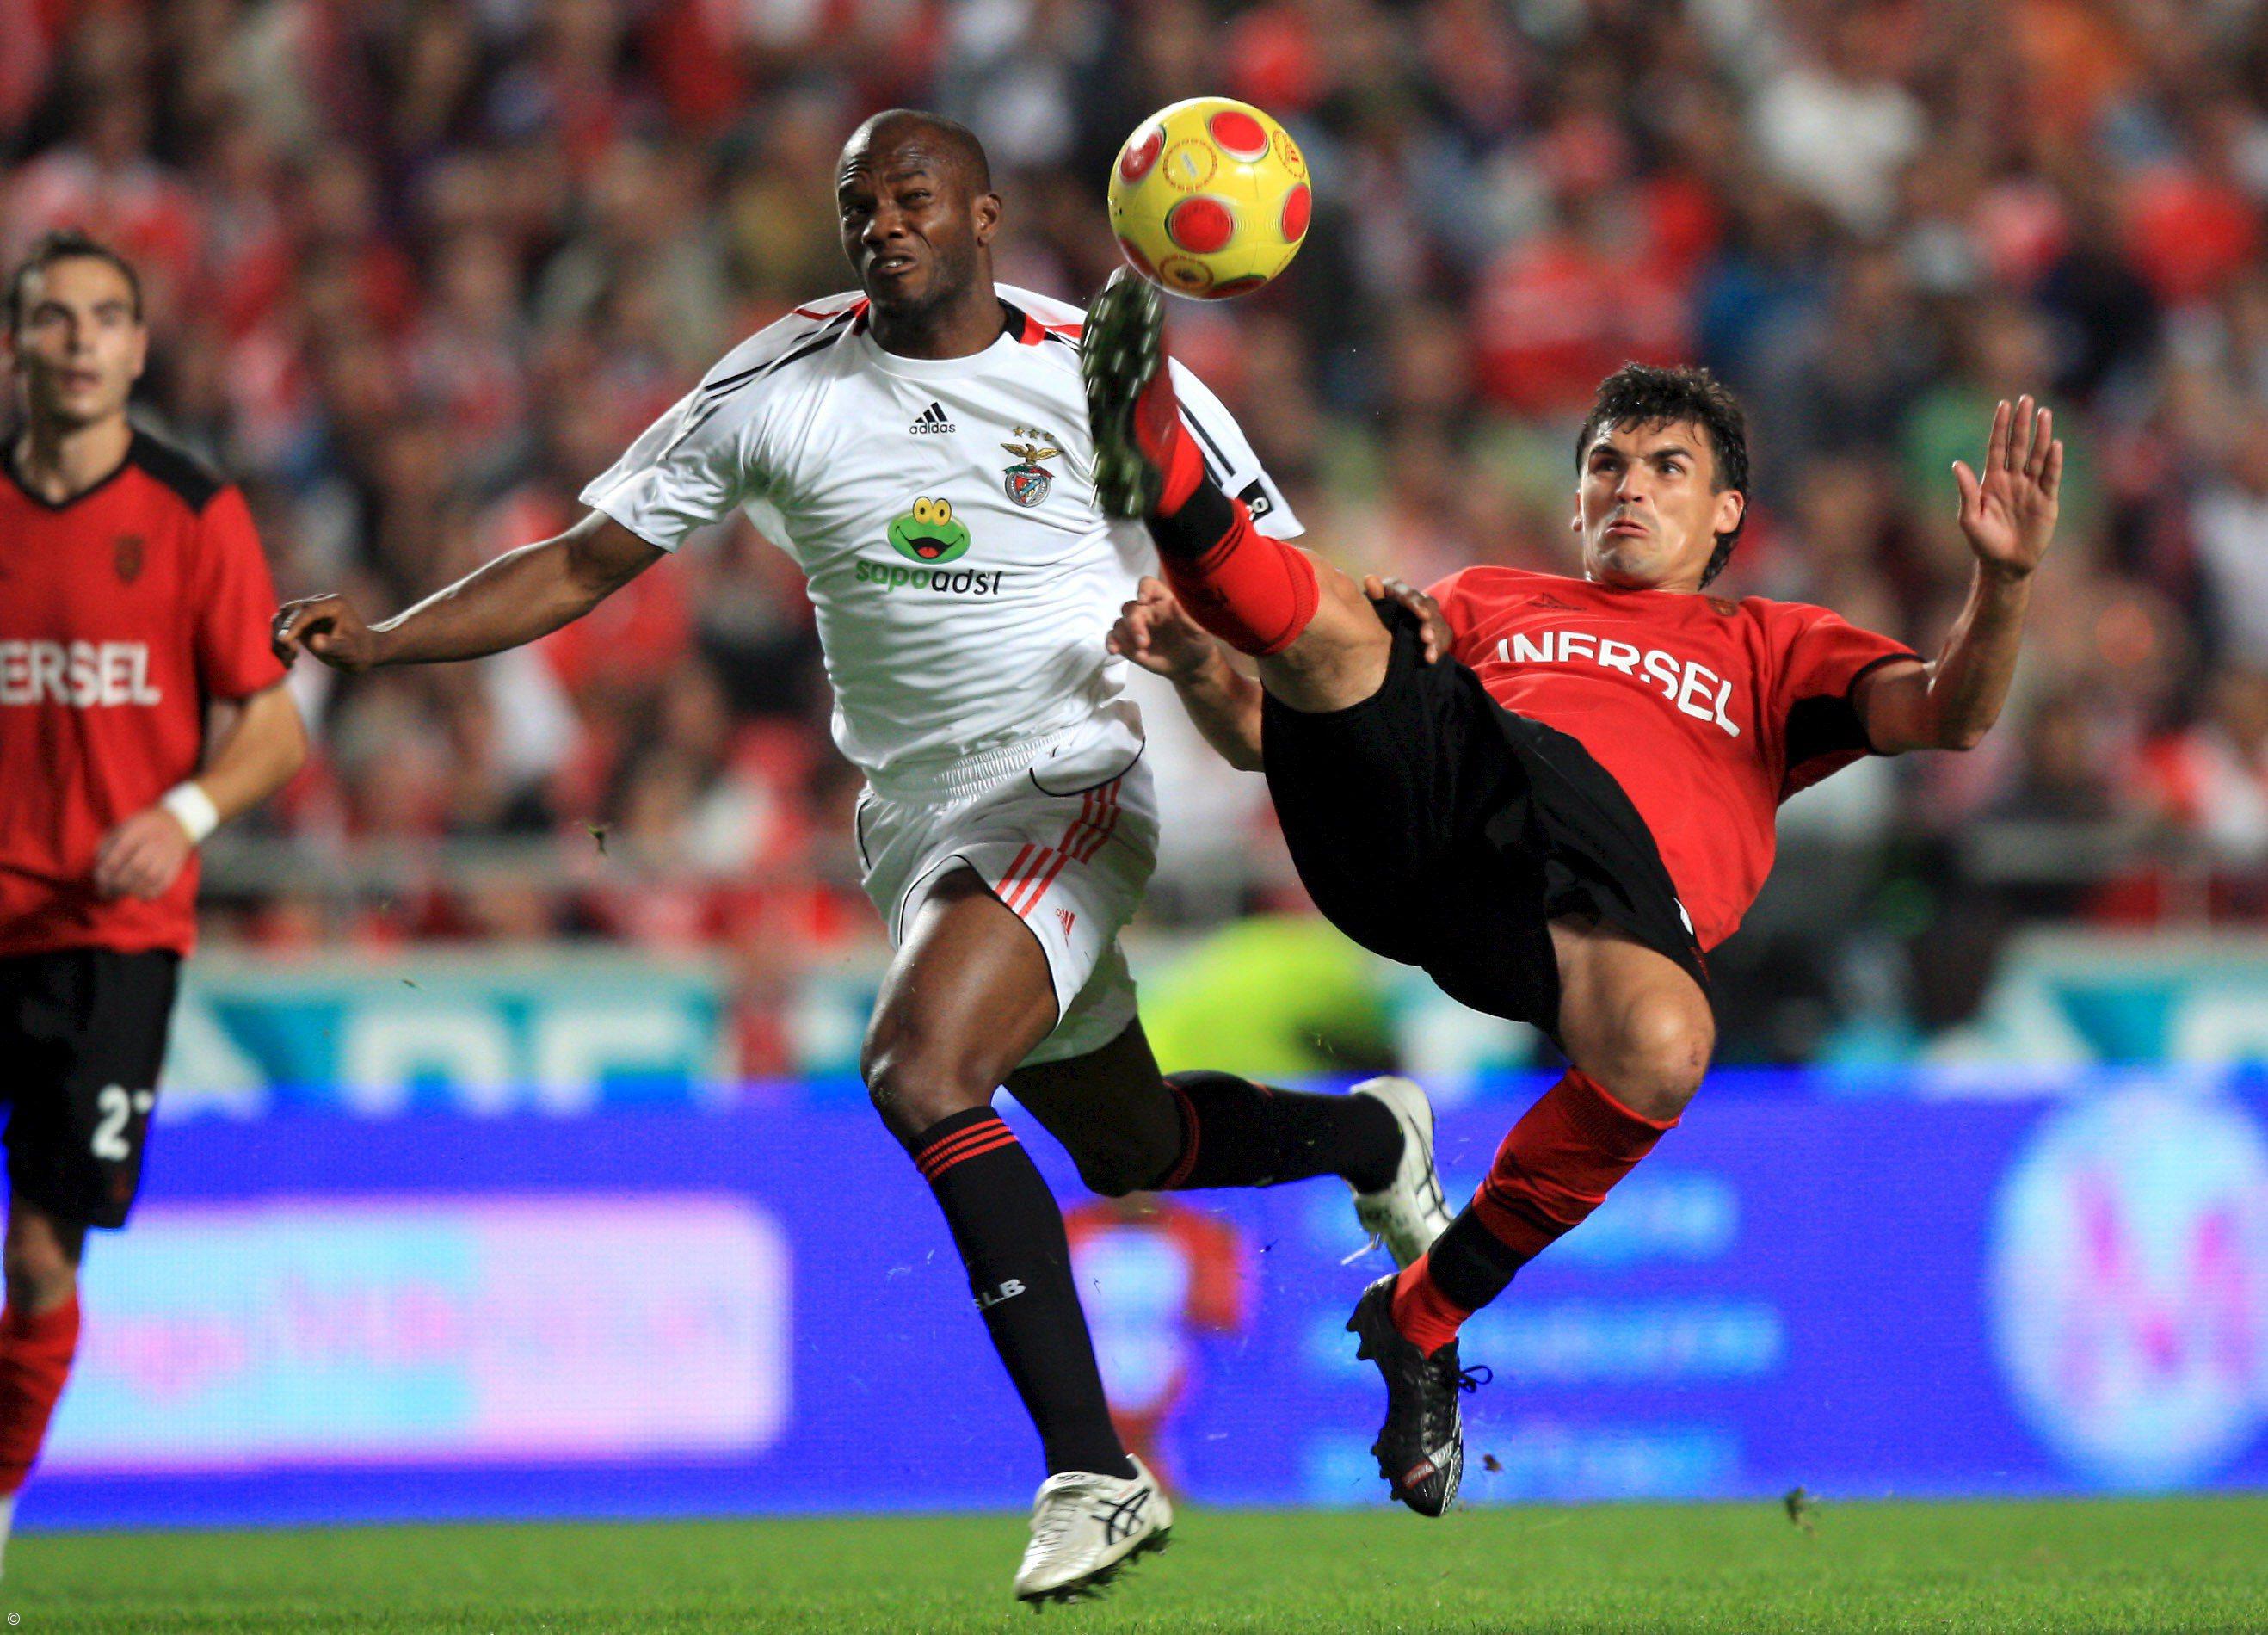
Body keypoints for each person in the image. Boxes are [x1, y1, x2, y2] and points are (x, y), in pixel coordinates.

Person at [271, 112, 1452, 1600]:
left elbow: (1281, 587)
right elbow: (583, 560)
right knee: (1127, 1146)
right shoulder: (779, 380)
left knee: (921, 1071)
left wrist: (1286, 672)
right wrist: (387, 640)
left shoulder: (1106, 377)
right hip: (913, 818)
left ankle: (1096, 1471)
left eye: (912, 199)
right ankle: (1374, 1141)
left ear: (983, 218)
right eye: (857, 203)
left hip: (1068, 779)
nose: (881, 224)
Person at [1083, 267, 2061, 1515]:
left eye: (1664, 469)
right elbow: (1269, 736)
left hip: (1589, 915)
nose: (1626, 488)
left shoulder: (1775, 647)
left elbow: (1951, 716)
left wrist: (2007, 584)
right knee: (1352, 618)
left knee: (1663, 1044)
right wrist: (1196, 671)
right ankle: (1164, 466)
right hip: (1423, 842)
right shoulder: (1493, 600)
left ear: (1726, 515)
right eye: (1605, 465)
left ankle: (1420, 1313)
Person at [0, 230, 307, 1564]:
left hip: (108, 940)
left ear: (137, 346)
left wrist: (181, 811)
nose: (77, 341)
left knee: (40, 1259)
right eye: (51, 318)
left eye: (103, 318)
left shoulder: (193, 512)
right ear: (16, 344)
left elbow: (272, 727)